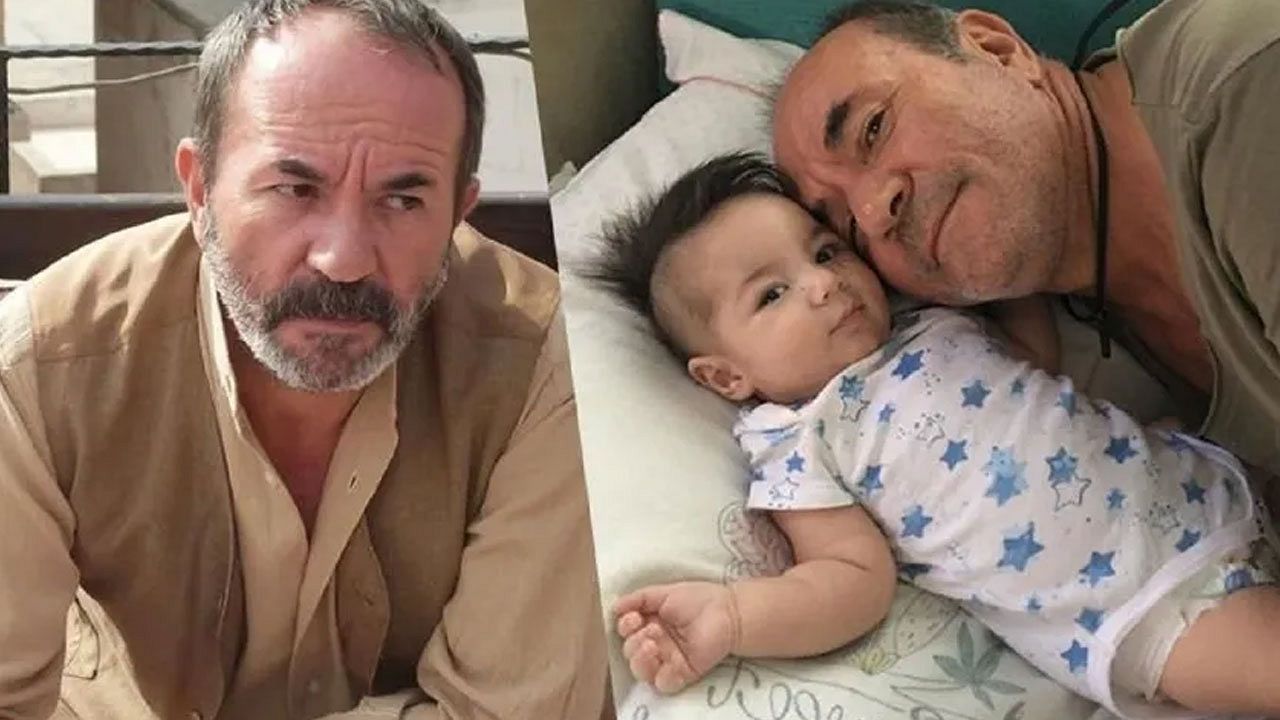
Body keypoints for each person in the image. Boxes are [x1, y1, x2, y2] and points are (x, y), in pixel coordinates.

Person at [0, 1, 609, 719]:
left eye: (402, 200)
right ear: (199, 189)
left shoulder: (548, 366)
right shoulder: (44, 365)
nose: (343, 259)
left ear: (457, 213)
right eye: (295, 189)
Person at [588, 153, 1280, 717]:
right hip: (1142, 609)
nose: (824, 284)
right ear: (725, 376)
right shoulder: (798, 441)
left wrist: (1015, 278)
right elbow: (849, 579)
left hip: (1200, 480)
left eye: (825, 252)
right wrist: (735, 617)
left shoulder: (926, 322)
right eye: (771, 294)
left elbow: (1031, 364)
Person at [771, 0, 1280, 477]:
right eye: (849, 232)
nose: (872, 213)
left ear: (998, 50)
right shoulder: (1107, 319)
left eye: (874, 128)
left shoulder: (1243, 83)